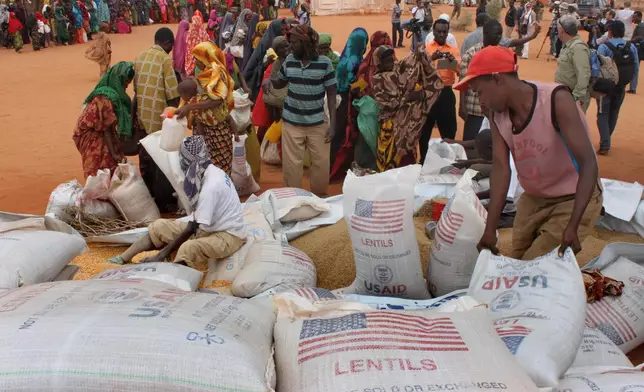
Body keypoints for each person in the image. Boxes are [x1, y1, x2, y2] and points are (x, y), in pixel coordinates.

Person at [455, 45, 602, 260]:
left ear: (497, 79)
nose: (481, 101)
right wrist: (490, 229)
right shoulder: (497, 115)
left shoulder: (556, 100)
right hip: (533, 199)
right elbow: (501, 170)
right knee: (517, 262)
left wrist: (573, 224)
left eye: (479, 92)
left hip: (571, 198)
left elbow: (589, 164)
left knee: (532, 268)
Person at [107, 136, 246, 271]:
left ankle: (174, 280)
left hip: (228, 235)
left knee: (188, 248)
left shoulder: (211, 186)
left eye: (182, 159)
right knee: (158, 226)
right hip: (209, 228)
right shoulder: (209, 172)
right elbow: (196, 223)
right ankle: (122, 258)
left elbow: (192, 228)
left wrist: (162, 254)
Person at [264, 24, 337, 196]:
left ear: (305, 43)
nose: (290, 46)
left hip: (317, 122)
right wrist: (269, 79)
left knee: (321, 164)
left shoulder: (324, 63)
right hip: (291, 122)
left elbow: (332, 97)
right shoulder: (290, 60)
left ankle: (320, 199)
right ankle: (293, 200)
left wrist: (332, 125)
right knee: (292, 167)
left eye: (294, 42)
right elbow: (280, 82)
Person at [459, 19, 542, 141]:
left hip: (498, 110)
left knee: (497, 142)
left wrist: (533, 36)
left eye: (500, 34)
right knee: (473, 143)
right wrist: (462, 107)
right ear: (485, 34)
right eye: (496, 34)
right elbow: (464, 82)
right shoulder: (470, 55)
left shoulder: (505, 54)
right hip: (475, 109)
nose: (499, 37)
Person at [373, 45, 443, 171]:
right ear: (379, 62)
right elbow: (384, 104)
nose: (390, 62)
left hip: (407, 126)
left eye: (391, 58)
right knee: (389, 159)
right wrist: (408, 98)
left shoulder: (399, 69)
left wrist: (420, 55)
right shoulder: (378, 80)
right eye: (386, 60)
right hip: (389, 127)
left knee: (407, 159)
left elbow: (412, 64)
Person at [134, 27, 181, 212]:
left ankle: (149, 195)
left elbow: (137, 91)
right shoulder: (164, 60)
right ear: (168, 43)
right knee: (162, 159)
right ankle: (164, 201)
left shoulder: (140, 57)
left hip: (142, 115)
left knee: (146, 156)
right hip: (159, 119)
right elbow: (173, 95)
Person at [176, 42, 237, 175]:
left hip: (217, 130)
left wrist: (190, 106)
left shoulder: (217, 73)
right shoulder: (204, 73)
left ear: (206, 58)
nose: (195, 62)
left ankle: (221, 192)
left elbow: (217, 99)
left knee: (220, 169)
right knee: (202, 167)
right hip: (203, 126)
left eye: (197, 59)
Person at [73, 61, 133, 178]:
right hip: (91, 133)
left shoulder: (112, 95)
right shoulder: (106, 98)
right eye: (126, 83)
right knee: (100, 162)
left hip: (100, 130)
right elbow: (106, 129)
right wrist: (114, 153)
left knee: (111, 158)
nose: (126, 86)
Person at [330, 27, 369, 176]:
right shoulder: (355, 60)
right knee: (347, 135)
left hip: (339, 99)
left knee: (338, 135)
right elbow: (352, 84)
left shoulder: (345, 56)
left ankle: (333, 167)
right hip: (348, 102)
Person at [596, 20, 638, 155]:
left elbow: (597, 68)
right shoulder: (631, 47)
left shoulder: (604, 47)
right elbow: (636, 68)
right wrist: (631, 84)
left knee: (603, 113)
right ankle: (607, 139)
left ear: (610, 32)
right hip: (621, 86)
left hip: (605, 86)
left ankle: (605, 144)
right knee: (614, 113)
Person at [421, 18, 460, 160]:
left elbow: (460, 71)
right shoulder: (426, 49)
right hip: (429, 93)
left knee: (449, 132)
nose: (442, 35)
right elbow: (419, 71)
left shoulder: (454, 50)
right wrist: (431, 59)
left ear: (448, 32)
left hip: (446, 94)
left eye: (445, 32)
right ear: (433, 32)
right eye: (439, 32)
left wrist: (453, 62)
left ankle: (448, 161)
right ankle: (423, 160)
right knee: (424, 131)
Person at [554, 15, 591, 113]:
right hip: (565, 94)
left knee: (572, 127)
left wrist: (577, 97)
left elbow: (584, 73)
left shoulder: (578, 47)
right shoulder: (567, 46)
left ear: (562, 31)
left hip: (573, 97)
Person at [185, 11, 210, 75]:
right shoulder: (204, 33)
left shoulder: (190, 32)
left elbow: (187, 44)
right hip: (201, 58)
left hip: (192, 56)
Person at [629, 10, 643, 93]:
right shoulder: (640, 25)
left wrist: (630, 42)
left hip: (639, 49)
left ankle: (633, 88)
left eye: (635, 17)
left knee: (635, 68)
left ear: (639, 16)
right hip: (639, 48)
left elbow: (640, 37)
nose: (633, 18)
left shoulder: (641, 26)